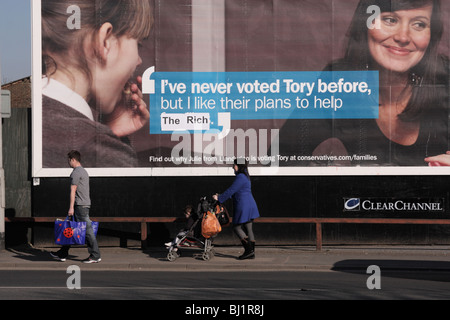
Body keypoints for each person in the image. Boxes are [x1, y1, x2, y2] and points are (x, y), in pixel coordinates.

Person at [41, 0, 152, 168]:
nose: (138, 61)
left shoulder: (32, 121)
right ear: (105, 41)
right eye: (138, 43)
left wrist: (107, 133)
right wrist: (107, 146)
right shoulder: (100, 153)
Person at [50, 150, 101, 263]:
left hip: (80, 205)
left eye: (69, 160)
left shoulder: (76, 172)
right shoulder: (83, 171)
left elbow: (73, 191)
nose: (68, 163)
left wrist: (71, 207)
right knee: (70, 228)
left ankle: (95, 255)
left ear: (73, 160)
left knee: (87, 231)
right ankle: (62, 253)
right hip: (84, 204)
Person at [214, 159, 260, 260]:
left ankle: (248, 251)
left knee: (236, 227)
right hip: (250, 204)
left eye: (234, 165)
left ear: (239, 165)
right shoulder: (246, 176)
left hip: (243, 205)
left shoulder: (240, 177)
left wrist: (219, 198)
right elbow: (237, 191)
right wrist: (222, 196)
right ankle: (251, 252)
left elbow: (231, 190)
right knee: (248, 228)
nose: (233, 167)